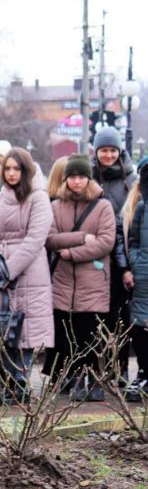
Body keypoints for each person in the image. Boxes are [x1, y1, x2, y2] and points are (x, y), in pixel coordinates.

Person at [44, 155, 116, 401]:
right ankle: (71, 378)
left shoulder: (103, 206)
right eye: (72, 177)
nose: (77, 181)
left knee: (92, 334)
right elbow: (51, 239)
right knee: (68, 333)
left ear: (89, 178)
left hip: (93, 281)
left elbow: (106, 242)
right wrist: (83, 238)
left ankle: (94, 381)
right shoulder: (55, 206)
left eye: (81, 176)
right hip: (62, 282)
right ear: (66, 179)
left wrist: (71, 252)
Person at [0, 148, 53, 404]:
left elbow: (35, 239)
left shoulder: (38, 198)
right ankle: (8, 380)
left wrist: (9, 269)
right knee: (4, 326)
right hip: (1, 268)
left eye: (17, 169)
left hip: (28, 271)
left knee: (25, 328)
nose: (12, 173)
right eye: (8, 169)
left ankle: (20, 382)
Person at [91, 126, 137, 381]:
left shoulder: (130, 180)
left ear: (119, 151)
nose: (108, 155)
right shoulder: (89, 177)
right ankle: (98, 370)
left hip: (121, 260)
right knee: (97, 317)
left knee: (120, 317)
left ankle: (117, 370)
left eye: (112, 150)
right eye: (103, 150)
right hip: (95, 259)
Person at [124, 159, 148, 400]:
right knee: (140, 327)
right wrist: (137, 263)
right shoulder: (142, 207)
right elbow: (133, 240)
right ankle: (143, 370)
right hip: (143, 276)